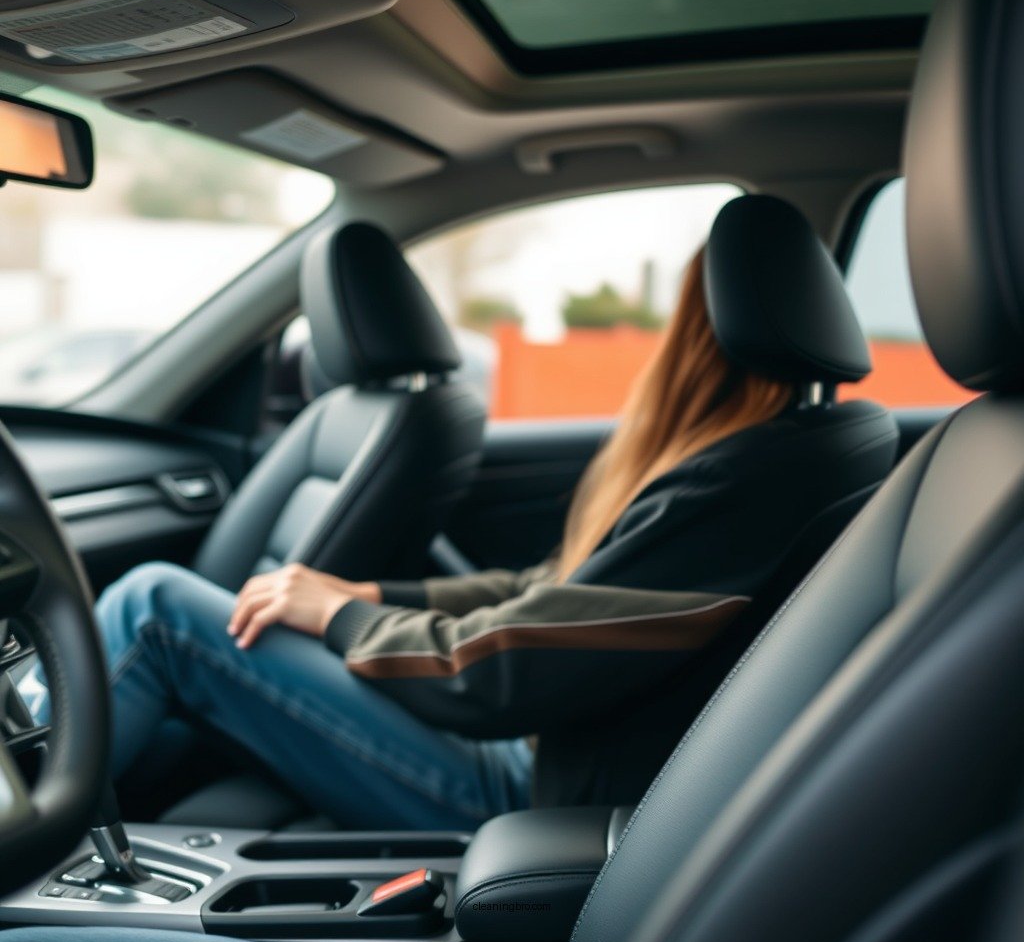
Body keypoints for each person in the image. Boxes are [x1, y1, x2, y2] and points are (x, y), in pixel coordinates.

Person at [19, 239, 880, 827]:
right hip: (544, 745)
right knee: (164, 611)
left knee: (156, 610)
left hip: (527, 787)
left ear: (701, 337)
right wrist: (375, 594)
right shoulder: (799, 451)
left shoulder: (749, 478)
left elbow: (501, 677)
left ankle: (19, 819)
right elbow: (549, 591)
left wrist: (341, 617)